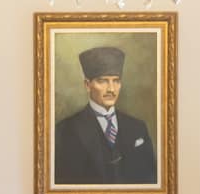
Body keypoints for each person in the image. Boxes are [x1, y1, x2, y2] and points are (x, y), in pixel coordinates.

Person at [52, 46, 157, 186]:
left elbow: (152, 179)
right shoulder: (64, 130)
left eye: (116, 81)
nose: (111, 89)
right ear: (87, 85)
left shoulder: (138, 128)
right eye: (103, 81)